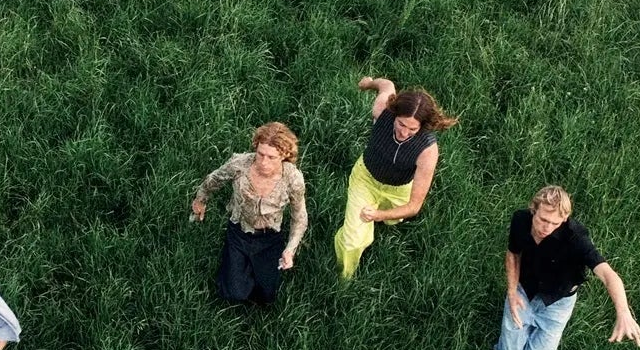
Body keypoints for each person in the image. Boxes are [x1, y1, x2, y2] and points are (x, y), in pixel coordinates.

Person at [496, 185, 640, 350]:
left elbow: (607, 274)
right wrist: (512, 290)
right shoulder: (520, 220)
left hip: (558, 302)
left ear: (564, 218)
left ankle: (528, 338)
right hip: (525, 289)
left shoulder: (576, 238)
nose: (547, 228)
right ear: (533, 210)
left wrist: (623, 313)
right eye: (543, 220)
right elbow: (513, 254)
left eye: (555, 223)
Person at [334, 77, 458, 279]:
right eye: (401, 124)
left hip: (399, 188)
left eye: (412, 129)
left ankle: (383, 218)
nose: (404, 132)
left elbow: (414, 206)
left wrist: (379, 216)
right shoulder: (383, 109)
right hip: (365, 178)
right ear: (395, 113)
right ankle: (343, 277)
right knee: (352, 241)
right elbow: (387, 85)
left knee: (395, 218)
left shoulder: (427, 150)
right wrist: (368, 83)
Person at [191, 122, 308, 305]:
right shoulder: (240, 165)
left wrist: (290, 250)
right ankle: (234, 267)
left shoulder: (292, 179)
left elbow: (299, 217)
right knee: (234, 293)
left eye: (271, 157)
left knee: (266, 297)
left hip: (269, 237)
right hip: (239, 231)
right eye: (260, 154)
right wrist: (200, 200)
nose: (263, 162)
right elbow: (214, 179)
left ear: (285, 155)